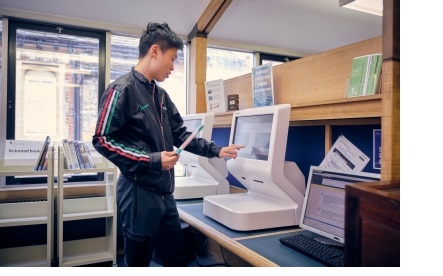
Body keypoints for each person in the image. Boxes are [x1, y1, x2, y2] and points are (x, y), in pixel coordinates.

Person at [92, 22, 244, 267]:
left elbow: (181, 133)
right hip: (138, 192)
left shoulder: (161, 96)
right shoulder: (121, 89)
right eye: (172, 59)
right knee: (138, 261)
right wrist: (152, 160)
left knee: (177, 259)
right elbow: (102, 140)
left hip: (165, 193)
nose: (173, 67)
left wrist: (216, 150)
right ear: (154, 51)